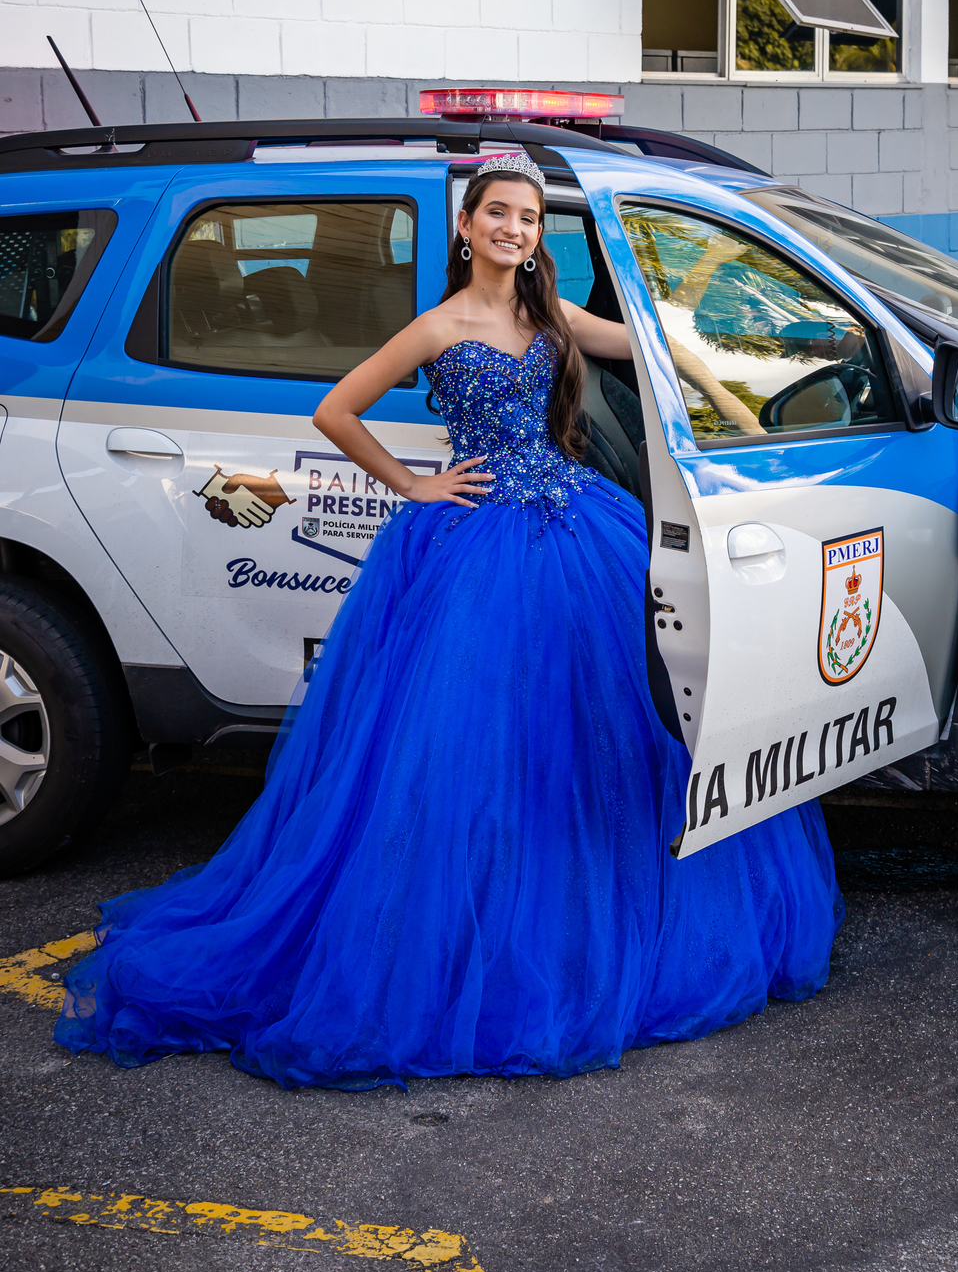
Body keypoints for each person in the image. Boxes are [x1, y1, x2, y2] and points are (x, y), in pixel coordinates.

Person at [56, 152, 843, 1089]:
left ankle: (578, 913)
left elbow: (647, 346)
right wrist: (414, 484)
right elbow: (336, 410)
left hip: (580, 526)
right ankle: (471, 932)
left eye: (528, 218)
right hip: (482, 545)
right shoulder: (439, 325)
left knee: (607, 729)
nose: (515, 229)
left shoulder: (550, 315)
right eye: (498, 213)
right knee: (473, 747)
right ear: (467, 227)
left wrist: (739, 398)